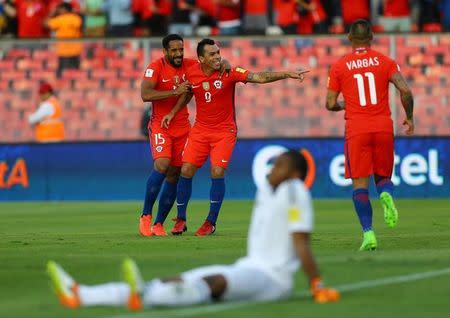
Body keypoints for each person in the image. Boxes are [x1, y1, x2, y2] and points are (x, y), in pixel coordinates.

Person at [46, 150, 340, 310]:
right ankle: (82, 295)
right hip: (250, 266)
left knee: (216, 281)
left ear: (295, 173)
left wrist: (316, 284)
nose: (272, 169)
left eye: (281, 166)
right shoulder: (268, 190)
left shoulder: (294, 191)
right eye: (273, 165)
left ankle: (147, 298)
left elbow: (301, 242)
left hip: (273, 278)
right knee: (186, 278)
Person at [162, 38, 309, 236]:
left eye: (218, 53)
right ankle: (180, 219)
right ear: (201, 58)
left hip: (224, 131)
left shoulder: (229, 72)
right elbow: (189, 92)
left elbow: (260, 77)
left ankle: (210, 222)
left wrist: (287, 73)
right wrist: (172, 112)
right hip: (200, 130)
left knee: (217, 171)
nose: (217, 57)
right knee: (186, 169)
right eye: (212, 54)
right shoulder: (191, 71)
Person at [325, 19, 414, 251]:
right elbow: (405, 90)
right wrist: (410, 117)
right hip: (383, 126)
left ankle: (369, 234)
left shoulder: (340, 66)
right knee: (383, 177)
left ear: (349, 38)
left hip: (357, 129)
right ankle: (386, 195)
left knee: (359, 186)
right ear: (372, 36)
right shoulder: (386, 61)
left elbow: (330, 103)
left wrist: (348, 105)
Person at [139, 34, 230, 237]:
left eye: (181, 49)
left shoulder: (190, 66)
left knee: (175, 173)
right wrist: (174, 92)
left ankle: (159, 223)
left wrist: (225, 61)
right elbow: (145, 95)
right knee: (162, 164)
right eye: (174, 50)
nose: (179, 54)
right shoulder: (156, 67)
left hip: (183, 127)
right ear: (165, 52)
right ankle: (145, 215)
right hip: (161, 124)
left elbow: (214, 64)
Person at [45, 2, 83, 78]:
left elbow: (46, 24)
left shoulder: (60, 19)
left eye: (60, 9)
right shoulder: (76, 18)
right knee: (76, 73)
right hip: (75, 50)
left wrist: (52, 14)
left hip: (64, 51)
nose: (58, 11)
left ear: (64, 9)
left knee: (62, 74)